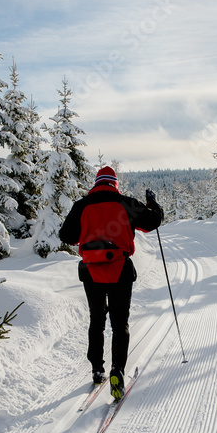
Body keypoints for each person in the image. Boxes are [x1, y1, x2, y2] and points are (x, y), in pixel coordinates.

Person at [59, 166, 164, 400]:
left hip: (90, 271)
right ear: (114, 184)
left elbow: (66, 236)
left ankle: (97, 370)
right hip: (120, 269)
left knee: (96, 320)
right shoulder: (126, 203)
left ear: (96, 183)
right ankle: (117, 369)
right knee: (120, 323)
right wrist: (152, 203)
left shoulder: (82, 205)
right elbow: (152, 222)